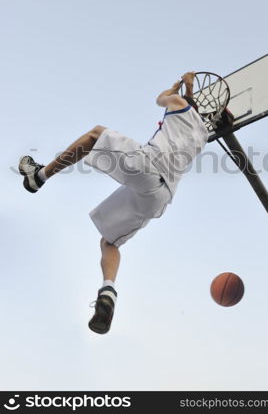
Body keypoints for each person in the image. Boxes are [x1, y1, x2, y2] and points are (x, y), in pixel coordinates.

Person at [18, 72, 209, 334]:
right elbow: (193, 113)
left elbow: (161, 99)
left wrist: (182, 85)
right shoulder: (203, 136)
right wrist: (190, 95)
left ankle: (38, 177)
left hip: (149, 165)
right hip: (161, 198)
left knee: (96, 133)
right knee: (110, 242)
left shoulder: (179, 103)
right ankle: (108, 289)